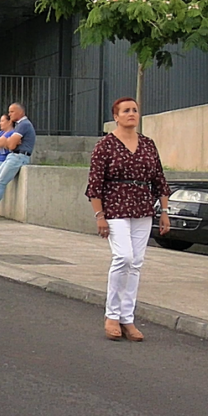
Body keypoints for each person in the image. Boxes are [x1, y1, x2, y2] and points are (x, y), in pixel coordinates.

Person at [85, 97, 170, 342]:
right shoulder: (105, 145)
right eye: (126, 111)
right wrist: (99, 216)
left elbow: (159, 179)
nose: (131, 113)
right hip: (115, 207)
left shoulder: (147, 144)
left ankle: (127, 318)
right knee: (123, 257)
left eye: (134, 110)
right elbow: (95, 185)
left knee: (136, 263)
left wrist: (164, 211)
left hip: (142, 208)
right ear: (116, 116)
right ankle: (111, 315)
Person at [0, 102, 36, 218]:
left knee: (0, 182)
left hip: (19, 156)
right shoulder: (19, 126)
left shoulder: (24, 124)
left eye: (12, 111)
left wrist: (8, 142)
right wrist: (10, 142)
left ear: (20, 112)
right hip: (13, 155)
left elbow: (11, 145)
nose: (9, 114)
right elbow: (9, 143)